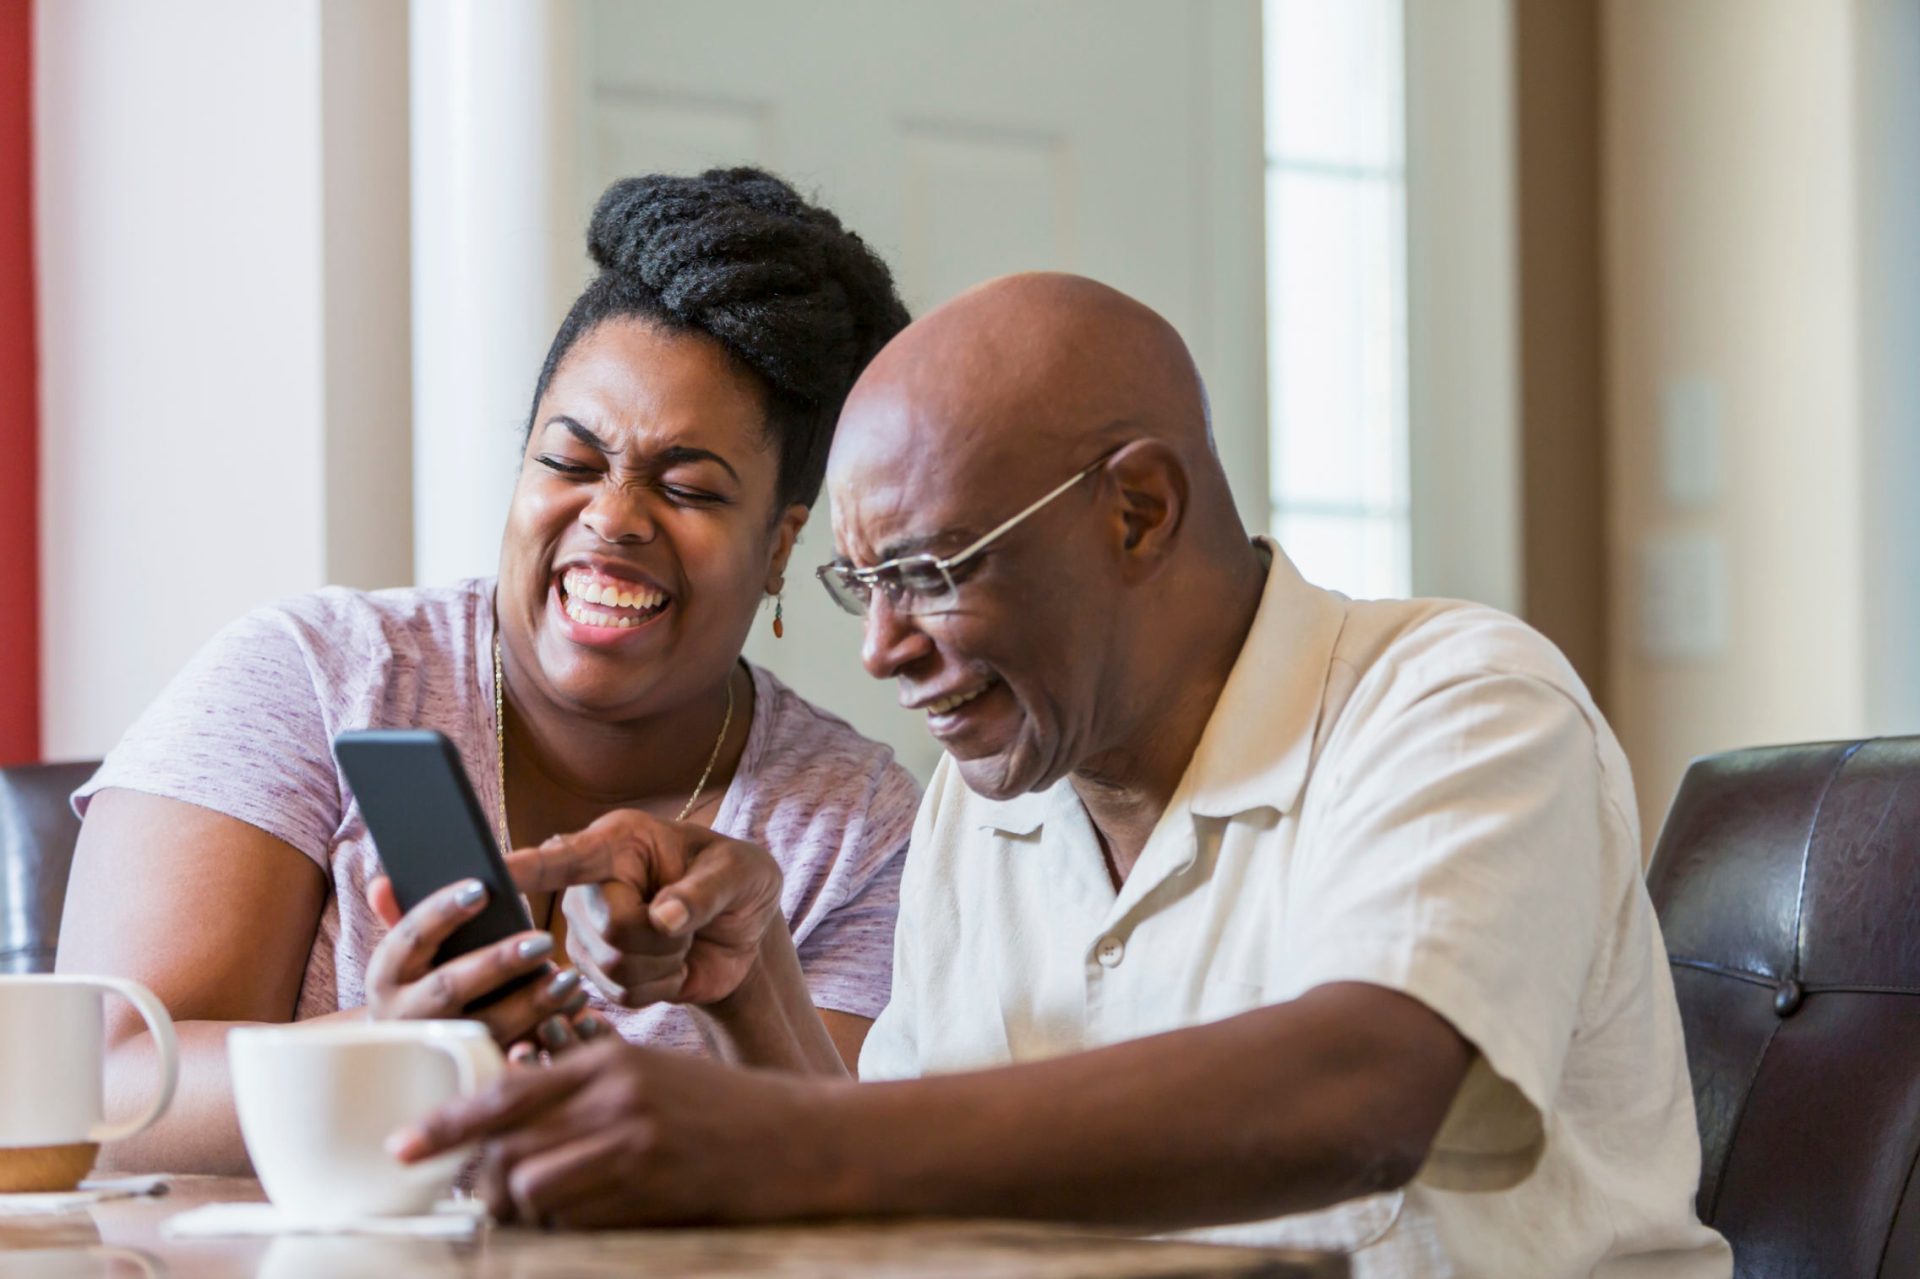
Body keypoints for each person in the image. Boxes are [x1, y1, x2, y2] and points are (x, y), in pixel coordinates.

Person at [396, 273, 1732, 1277]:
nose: (881, 649)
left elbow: (1366, 1088)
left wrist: (753, 1135)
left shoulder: (1458, 701)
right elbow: (906, 1204)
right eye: (861, 584)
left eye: (929, 570)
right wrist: (753, 995)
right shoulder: (994, 799)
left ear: (1139, 510)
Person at [55, 168, 920, 1175]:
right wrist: (394, 1054)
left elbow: (848, 1187)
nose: (613, 517)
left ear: (780, 545)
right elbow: (98, 1089)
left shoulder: (855, 828)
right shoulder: (315, 678)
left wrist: (748, 985)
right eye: (570, 462)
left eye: (687, 487)